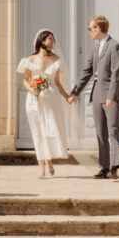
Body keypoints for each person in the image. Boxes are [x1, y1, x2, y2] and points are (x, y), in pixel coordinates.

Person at [68, 15, 119, 179]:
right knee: (100, 133)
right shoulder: (95, 48)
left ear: (99, 29)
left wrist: (112, 96)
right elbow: (87, 72)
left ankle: (115, 166)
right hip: (97, 93)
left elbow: (117, 73)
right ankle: (104, 167)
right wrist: (74, 92)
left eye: (91, 28)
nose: (89, 31)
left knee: (113, 131)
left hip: (111, 95)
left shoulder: (115, 46)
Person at [17, 29, 70, 178]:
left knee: (49, 132)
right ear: (42, 41)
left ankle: (49, 161)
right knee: (38, 133)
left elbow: (58, 83)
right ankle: (41, 168)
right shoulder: (31, 60)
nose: (53, 42)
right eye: (50, 39)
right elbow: (25, 80)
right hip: (35, 101)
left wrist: (67, 96)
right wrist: (33, 91)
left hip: (51, 100)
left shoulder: (56, 59)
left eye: (53, 39)